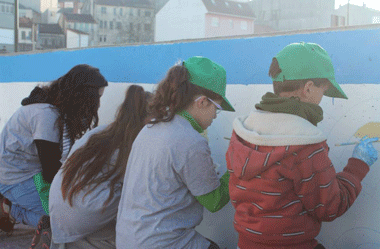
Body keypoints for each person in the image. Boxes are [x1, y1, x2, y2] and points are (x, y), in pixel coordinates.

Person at [226, 42, 378, 249]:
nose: (321, 100)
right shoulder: (305, 144)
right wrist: (358, 164)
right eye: (322, 92)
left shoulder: (242, 132)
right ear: (308, 88)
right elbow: (331, 207)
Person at [116, 56, 235, 249]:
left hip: (128, 238)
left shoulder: (151, 127)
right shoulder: (190, 140)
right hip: (159, 243)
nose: (215, 115)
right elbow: (214, 201)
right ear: (202, 102)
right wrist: (237, 164)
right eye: (217, 108)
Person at [0, 64, 108, 238]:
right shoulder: (45, 115)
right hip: (16, 178)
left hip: (30, 172)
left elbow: (60, 160)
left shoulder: (55, 109)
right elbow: (51, 171)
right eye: (97, 98)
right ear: (82, 96)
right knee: (62, 221)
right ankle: (11, 210)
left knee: (71, 208)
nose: (98, 104)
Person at [47, 85, 151, 249]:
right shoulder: (134, 146)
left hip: (58, 207)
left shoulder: (100, 132)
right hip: (81, 214)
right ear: (146, 120)